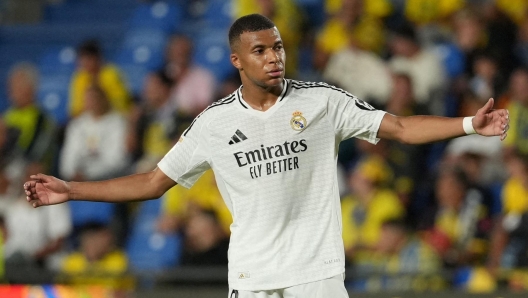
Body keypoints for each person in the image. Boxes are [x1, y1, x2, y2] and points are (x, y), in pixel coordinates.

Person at [24, 14, 509, 298]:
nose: (274, 57)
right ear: (237, 60)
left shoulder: (321, 100)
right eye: (261, 50)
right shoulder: (213, 123)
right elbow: (153, 181)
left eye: (277, 47)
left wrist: (468, 124)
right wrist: (72, 189)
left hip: (317, 276)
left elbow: (400, 126)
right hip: (253, 277)